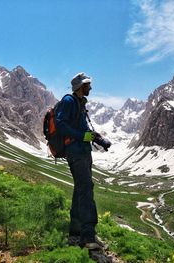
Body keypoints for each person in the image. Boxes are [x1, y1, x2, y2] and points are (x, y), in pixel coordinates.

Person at [56, 72, 103, 250]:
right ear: (80, 86)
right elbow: (61, 124)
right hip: (76, 153)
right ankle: (88, 236)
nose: (90, 87)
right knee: (86, 190)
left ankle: (75, 233)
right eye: (87, 84)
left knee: (80, 190)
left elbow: (84, 131)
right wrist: (81, 136)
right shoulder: (69, 101)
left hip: (83, 152)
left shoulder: (80, 104)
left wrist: (98, 139)